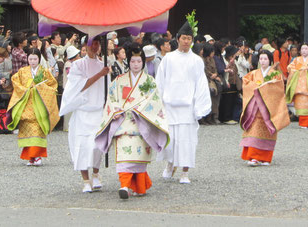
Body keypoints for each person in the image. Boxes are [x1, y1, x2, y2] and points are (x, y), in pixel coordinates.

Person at [95, 49, 169, 199]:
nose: (136, 64)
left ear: (143, 62)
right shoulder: (119, 80)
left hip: (141, 124)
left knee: (139, 159)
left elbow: (155, 102)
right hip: (122, 122)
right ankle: (124, 186)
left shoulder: (149, 81)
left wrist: (140, 112)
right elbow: (111, 99)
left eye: (139, 61)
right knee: (124, 158)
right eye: (133, 61)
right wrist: (116, 110)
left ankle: (139, 186)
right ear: (128, 62)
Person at [155, 21, 211, 184]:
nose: (186, 41)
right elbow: (160, 81)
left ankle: (184, 172)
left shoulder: (196, 60)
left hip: (187, 107)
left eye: (189, 38)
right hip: (170, 106)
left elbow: (201, 84)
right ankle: (170, 165)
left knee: (186, 141)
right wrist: (159, 103)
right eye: (184, 38)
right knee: (171, 140)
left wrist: (199, 107)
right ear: (178, 39)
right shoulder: (168, 59)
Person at [60, 38, 110, 192]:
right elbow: (80, 86)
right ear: (85, 46)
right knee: (82, 146)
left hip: (97, 111)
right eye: (91, 44)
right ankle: (85, 180)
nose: (94, 47)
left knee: (96, 146)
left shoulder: (103, 65)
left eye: (97, 44)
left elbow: (107, 90)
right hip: (83, 111)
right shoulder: (78, 65)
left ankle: (96, 173)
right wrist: (100, 74)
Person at [7, 50, 59, 166]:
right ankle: (31, 157)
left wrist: (40, 88)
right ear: (27, 59)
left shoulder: (44, 72)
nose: (32, 61)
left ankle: (38, 156)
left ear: (39, 59)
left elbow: (53, 85)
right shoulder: (22, 71)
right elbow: (15, 82)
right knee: (26, 129)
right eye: (30, 59)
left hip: (39, 105)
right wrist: (25, 89)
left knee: (38, 129)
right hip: (26, 103)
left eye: (35, 59)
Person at [239, 50, 289, 166]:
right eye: (261, 59)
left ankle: (265, 157)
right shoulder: (253, 73)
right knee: (254, 131)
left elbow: (278, 90)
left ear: (270, 60)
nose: (263, 61)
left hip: (268, 109)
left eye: (265, 59)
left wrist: (265, 89)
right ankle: (254, 157)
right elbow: (246, 83)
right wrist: (257, 87)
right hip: (255, 108)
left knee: (267, 132)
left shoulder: (275, 74)